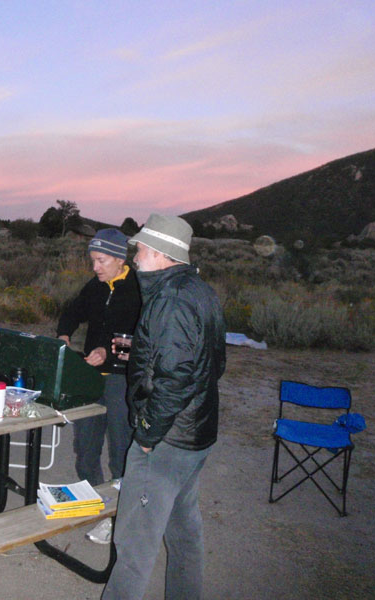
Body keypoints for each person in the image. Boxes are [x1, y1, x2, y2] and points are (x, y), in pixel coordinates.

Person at [101, 214, 226, 600]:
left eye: (139, 249)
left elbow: (177, 378)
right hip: (195, 433)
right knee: (184, 532)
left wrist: (148, 435)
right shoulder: (198, 290)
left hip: (167, 440)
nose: (134, 256)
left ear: (158, 253)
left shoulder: (171, 299)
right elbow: (212, 364)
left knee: (134, 547)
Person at [56, 228, 141, 544]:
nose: (95, 267)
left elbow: (137, 335)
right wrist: (64, 334)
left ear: (119, 258)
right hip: (91, 380)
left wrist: (107, 349)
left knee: (121, 449)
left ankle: (120, 517)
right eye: (92, 260)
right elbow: (72, 311)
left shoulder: (139, 288)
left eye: (100, 260)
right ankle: (97, 508)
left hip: (121, 379)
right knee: (85, 449)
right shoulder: (96, 286)